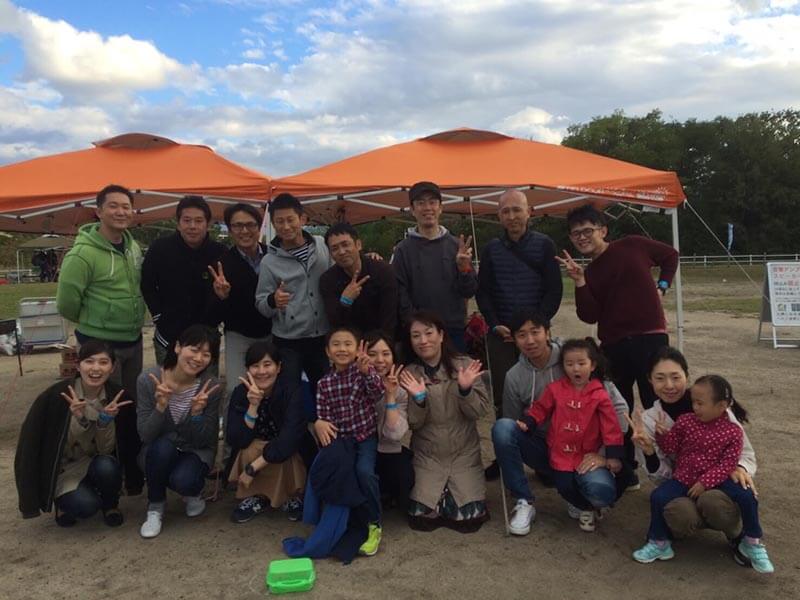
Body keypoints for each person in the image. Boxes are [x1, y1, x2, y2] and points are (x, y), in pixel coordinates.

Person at [492, 310, 632, 535]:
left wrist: (605, 454)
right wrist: (526, 424)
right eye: (521, 335)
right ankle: (523, 500)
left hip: (587, 450)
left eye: (535, 332)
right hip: (547, 446)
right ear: (514, 339)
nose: (530, 340)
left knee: (601, 492)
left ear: (547, 332)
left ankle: (583, 500)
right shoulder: (514, 376)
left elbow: (617, 410)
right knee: (502, 428)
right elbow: (514, 421)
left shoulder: (574, 357)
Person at [629, 346, 758, 565]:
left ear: (686, 376)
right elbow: (660, 478)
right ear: (649, 380)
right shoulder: (650, 420)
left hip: (718, 483)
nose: (669, 385)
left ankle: (738, 535)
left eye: (675, 377)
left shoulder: (713, 404)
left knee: (713, 502)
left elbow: (744, 451)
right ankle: (663, 539)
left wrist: (741, 468)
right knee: (680, 513)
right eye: (660, 378)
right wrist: (649, 452)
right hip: (683, 483)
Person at [56, 184, 145, 495]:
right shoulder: (83, 253)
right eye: (114, 206)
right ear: (99, 211)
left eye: (126, 206)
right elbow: (66, 302)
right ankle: (105, 477)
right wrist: (96, 321)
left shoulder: (133, 247)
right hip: (100, 344)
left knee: (128, 407)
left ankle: (131, 473)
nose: (121, 212)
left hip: (132, 339)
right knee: (100, 410)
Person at [557, 204, 678, 412]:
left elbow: (670, 256)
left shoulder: (632, 245)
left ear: (603, 231)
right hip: (614, 345)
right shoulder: (589, 273)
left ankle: (662, 435)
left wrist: (663, 286)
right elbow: (589, 316)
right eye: (576, 234)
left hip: (650, 336)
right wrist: (579, 281)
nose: (582, 237)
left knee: (658, 400)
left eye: (587, 231)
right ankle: (625, 436)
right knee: (618, 406)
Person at [15, 340, 133, 527]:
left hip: (96, 462)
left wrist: (105, 421)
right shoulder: (56, 396)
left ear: (112, 368)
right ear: (78, 365)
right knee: (87, 506)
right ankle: (63, 503)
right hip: (65, 468)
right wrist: (79, 419)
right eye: (89, 361)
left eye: (103, 362)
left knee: (107, 465)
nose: (96, 368)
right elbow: (35, 445)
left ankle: (110, 504)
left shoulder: (117, 396)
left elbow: (106, 450)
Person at [517, 338, 624, 533]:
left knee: (595, 486)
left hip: (587, 454)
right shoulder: (555, 389)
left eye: (581, 363)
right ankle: (585, 506)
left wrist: (613, 455)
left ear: (592, 365)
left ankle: (591, 505)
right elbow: (541, 408)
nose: (576, 369)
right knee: (563, 485)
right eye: (569, 364)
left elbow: (611, 425)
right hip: (561, 453)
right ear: (563, 366)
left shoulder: (600, 394)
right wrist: (529, 421)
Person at [399, 311, 491, 532]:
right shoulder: (409, 374)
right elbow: (413, 424)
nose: (423, 341)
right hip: (428, 456)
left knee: (468, 517)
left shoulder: (466, 365)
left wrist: (465, 390)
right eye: (416, 336)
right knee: (423, 516)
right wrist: (419, 400)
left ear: (441, 335)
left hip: (463, 454)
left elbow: (479, 412)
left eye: (429, 333)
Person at [476, 189, 563, 415]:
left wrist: (537, 326)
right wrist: (494, 323)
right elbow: (483, 292)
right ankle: (507, 434)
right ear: (499, 216)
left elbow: (554, 290)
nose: (512, 216)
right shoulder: (491, 249)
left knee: (544, 391)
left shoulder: (544, 245)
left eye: (517, 210)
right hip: (501, 335)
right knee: (505, 395)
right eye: (506, 211)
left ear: (529, 212)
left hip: (536, 332)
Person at [136, 325, 222, 538]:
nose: (198, 358)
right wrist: (160, 407)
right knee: (162, 448)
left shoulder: (210, 386)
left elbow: (206, 440)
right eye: (194, 349)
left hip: (195, 450)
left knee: (185, 480)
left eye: (206, 354)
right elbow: (145, 435)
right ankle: (155, 507)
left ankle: (192, 492)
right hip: (158, 451)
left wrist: (196, 414)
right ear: (177, 347)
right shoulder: (149, 380)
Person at [314, 327, 385, 556]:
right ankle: (332, 520)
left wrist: (367, 373)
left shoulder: (362, 372)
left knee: (364, 471)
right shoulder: (324, 384)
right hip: (341, 440)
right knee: (331, 470)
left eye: (348, 344)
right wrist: (321, 424)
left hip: (365, 437)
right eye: (336, 344)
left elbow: (378, 393)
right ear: (327, 351)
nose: (342, 349)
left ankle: (374, 522)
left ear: (357, 350)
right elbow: (325, 418)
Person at [255, 193, 332, 401]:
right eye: (279, 221)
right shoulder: (269, 261)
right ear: (273, 224)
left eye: (291, 220)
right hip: (288, 341)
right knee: (290, 395)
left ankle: (323, 423)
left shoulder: (322, 246)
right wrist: (273, 300)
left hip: (321, 335)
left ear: (302, 219)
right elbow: (261, 303)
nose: (286, 226)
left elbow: (338, 273)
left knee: (325, 391)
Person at [226, 341, 312, 523]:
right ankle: (257, 496)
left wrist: (253, 468)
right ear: (248, 370)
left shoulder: (291, 390)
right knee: (249, 448)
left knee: (282, 450)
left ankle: (290, 496)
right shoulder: (240, 393)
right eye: (255, 366)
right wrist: (252, 407)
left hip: (285, 451)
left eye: (267, 364)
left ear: (278, 367)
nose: (262, 371)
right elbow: (236, 439)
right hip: (256, 450)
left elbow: (290, 437)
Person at [141, 195, 226, 366]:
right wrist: (158, 317)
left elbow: (225, 294)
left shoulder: (220, 252)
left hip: (206, 338)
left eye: (198, 221)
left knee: (206, 383)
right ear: (178, 223)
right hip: (168, 335)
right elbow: (147, 285)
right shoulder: (160, 248)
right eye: (187, 220)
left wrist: (222, 298)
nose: (192, 226)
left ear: (208, 224)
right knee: (168, 381)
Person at [393, 182, 477, 352]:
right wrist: (417, 325)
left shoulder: (456, 246)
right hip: (420, 335)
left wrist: (464, 269)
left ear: (440, 208)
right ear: (412, 209)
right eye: (421, 203)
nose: (427, 208)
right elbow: (400, 294)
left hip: (453, 331)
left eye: (432, 202)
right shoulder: (403, 250)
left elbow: (469, 291)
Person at [208, 203, 272, 403]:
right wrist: (221, 296)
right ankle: (236, 424)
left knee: (272, 388)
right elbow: (214, 315)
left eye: (250, 225)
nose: (244, 231)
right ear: (229, 229)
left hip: (273, 333)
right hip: (239, 335)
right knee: (236, 389)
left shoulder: (274, 255)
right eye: (237, 226)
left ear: (259, 227)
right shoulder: (222, 264)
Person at [320, 222, 398, 338]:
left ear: (358, 245)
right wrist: (345, 302)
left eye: (345, 245)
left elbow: (390, 318)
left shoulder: (383, 271)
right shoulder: (328, 280)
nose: (342, 252)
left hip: (382, 342)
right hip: (349, 343)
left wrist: (378, 345)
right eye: (335, 248)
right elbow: (335, 323)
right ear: (330, 254)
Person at [364, 331, 414, 510]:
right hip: (361, 448)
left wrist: (390, 397)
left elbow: (394, 434)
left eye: (386, 354)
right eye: (372, 354)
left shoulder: (399, 389)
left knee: (404, 472)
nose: (380, 360)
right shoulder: (356, 383)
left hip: (388, 448)